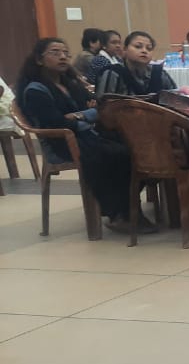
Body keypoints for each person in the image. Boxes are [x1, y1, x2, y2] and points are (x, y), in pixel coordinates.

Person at [16, 38, 141, 233]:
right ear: (39, 60)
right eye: (55, 52)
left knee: (134, 149)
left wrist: (80, 116)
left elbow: (99, 107)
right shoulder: (35, 90)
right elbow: (56, 123)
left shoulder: (72, 83)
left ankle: (125, 210)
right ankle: (119, 213)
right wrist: (87, 117)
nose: (63, 57)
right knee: (117, 154)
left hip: (86, 135)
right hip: (62, 142)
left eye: (66, 53)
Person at [95, 31, 178, 97]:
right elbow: (104, 106)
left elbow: (175, 101)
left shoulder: (159, 73)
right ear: (125, 49)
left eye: (149, 48)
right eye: (138, 46)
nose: (144, 51)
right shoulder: (113, 73)